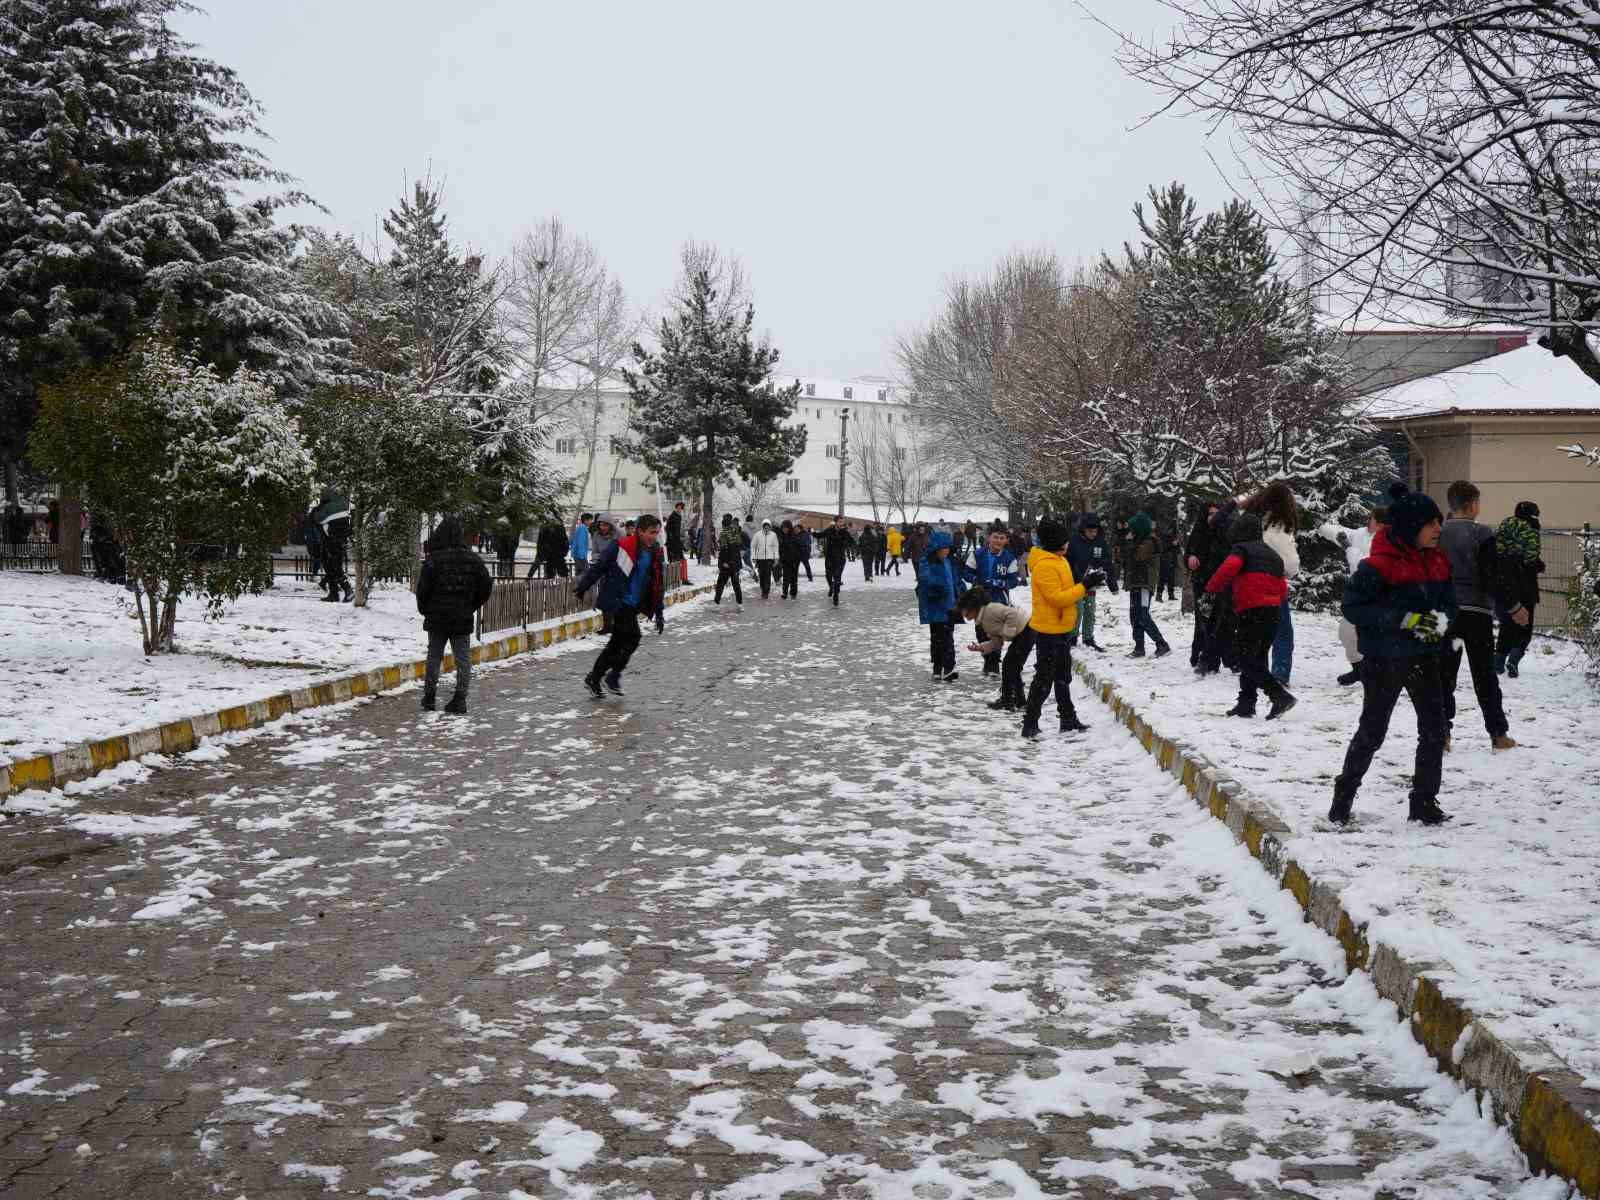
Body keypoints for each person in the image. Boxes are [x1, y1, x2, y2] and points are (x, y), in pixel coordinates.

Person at [1329, 484, 1457, 827]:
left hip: (1424, 656)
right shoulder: (1377, 566)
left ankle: (1424, 802)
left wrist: (1442, 622)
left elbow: (1449, 604)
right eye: (1431, 523)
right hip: (1384, 660)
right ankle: (1343, 796)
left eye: (1438, 523)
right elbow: (1354, 609)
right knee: (1373, 730)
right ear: (1411, 526)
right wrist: (1404, 620)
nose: (1437, 530)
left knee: (1434, 729)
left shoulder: (1438, 561)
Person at [1439, 481, 1524, 751]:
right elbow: (1491, 576)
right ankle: (1498, 733)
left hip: (1446, 613)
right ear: (1473, 504)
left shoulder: (1437, 533)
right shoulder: (1482, 534)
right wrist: (1513, 607)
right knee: (1485, 675)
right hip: (1477, 614)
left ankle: (1442, 733)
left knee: (1443, 676)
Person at [1020, 516, 1104, 740]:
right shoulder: (1045, 565)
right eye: (1064, 540)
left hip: (1062, 628)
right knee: (1044, 680)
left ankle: (1067, 719)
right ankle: (1030, 723)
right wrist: (1083, 586)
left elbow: (1068, 590)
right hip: (1049, 631)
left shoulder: (1059, 560)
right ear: (1055, 542)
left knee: (1062, 677)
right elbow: (1056, 598)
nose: (1068, 544)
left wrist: (1089, 583)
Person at [1205, 511, 1294, 720]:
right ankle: (1246, 703)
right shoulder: (1273, 555)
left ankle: (1279, 695)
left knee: (1243, 657)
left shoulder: (1242, 549)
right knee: (1257, 657)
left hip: (1252, 609)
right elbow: (1282, 587)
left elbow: (1230, 567)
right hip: (1273, 611)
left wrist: (1212, 588)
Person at [574, 512, 666, 698]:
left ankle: (595, 677)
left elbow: (657, 584)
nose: (653, 536)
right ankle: (612, 676)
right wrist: (584, 586)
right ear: (639, 531)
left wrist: (659, 612)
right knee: (632, 637)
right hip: (618, 600)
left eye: (656, 532)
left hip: (633, 603)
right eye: (650, 532)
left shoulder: (655, 552)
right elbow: (600, 566)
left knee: (617, 643)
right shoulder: (622, 546)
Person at [415, 516, 495, 713]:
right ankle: (460, 698)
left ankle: (430, 697)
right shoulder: (472, 560)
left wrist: (426, 609)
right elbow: (486, 586)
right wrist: (471, 605)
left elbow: (422, 590)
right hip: (462, 615)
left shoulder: (434, 560)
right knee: (463, 659)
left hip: (437, 617)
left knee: (434, 656)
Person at [1243, 482, 1301, 685]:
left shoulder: (1252, 520)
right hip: (1272, 584)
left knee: (1255, 631)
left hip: (1247, 582)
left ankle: (1254, 670)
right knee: (1282, 631)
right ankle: (1279, 674)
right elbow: (1291, 564)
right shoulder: (1278, 527)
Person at [1336, 506, 1388, 686]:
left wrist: (1348, 548)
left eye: (1371, 519)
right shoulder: (1362, 534)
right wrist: (1322, 527)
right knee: (1346, 633)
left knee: (1373, 636)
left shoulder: (1386, 541)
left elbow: (1362, 564)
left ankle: (1376, 671)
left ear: (1380, 524)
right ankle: (1359, 669)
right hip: (1358, 595)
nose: (1368, 521)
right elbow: (1343, 533)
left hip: (1376, 596)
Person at [960, 585, 1033, 711]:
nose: (963, 613)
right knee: (1010, 666)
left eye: (964, 609)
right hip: (1021, 634)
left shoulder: (990, 610)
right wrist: (980, 648)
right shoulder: (983, 621)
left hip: (1027, 630)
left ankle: (1012, 700)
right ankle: (1014, 700)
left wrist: (1007, 633)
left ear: (973, 607)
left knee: (1010, 666)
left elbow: (1012, 614)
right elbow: (997, 642)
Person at [961, 525, 1020, 676]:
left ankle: (994, 664)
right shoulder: (978, 554)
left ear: (1006, 540)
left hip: (999, 600)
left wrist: (999, 583)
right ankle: (988, 659)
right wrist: (976, 579)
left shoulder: (1009, 558)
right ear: (989, 538)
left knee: (995, 632)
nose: (998, 541)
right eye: (995, 537)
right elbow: (966, 572)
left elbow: (1014, 580)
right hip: (979, 600)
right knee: (981, 631)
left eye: (1002, 538)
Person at [1494, 501, 1543, 677]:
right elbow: (1530, 559)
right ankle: (1513, 660)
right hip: (1525, 585)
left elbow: (1496, 551)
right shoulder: (1531, 530)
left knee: (1506, 624)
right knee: (1525, 626)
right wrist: (1537, 565)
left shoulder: (1504, 526)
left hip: (1503, 583)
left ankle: (1498, 661)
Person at [1121, 512, 1172, 658]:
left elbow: (1138, 557)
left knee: (1142, 615)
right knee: (1134, 615)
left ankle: (1162, 644)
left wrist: (1130, 542)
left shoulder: (1149, 542)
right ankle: (1139, 647)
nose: (1130, 531)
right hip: (1136, 582)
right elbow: (1126, 557)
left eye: (1133, 529)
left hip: (1144, 583)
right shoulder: (1139, 540)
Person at [916, 530, 964, 681]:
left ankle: (949, 667)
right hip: (936, 607)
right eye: (943, 548)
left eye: (948, 548)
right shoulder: (927, 562)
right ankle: (938, 667)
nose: (946, 551)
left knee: (948, 638)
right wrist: (940, 586)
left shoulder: (951, 562)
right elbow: (925, 581)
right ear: (935, 549)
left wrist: (962, 592)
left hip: (951, 606)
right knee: (937, 639)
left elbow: (956, 581)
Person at [1066, 513, 1116, 652]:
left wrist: (1112, 584)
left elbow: (1107, 562)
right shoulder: (1074, 541)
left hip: (1092, 581)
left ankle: (1088, 637)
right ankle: (1072, 636)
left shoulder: (1100, 542)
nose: (1093, 534)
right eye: (1090, 531)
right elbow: (1067, 561)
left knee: (1090, 609)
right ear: (1083, 529)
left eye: (1095, 531)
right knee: (1078, 609)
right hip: (1076, 582)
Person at [316, 493, 353, 603]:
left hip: (330, 543)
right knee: (334, 567)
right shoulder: (343, 507)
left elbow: (318, 520)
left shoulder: (325, 509)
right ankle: (334, 593)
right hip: (340, 542)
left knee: (334, 568)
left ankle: (346, 590)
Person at [815, 515, 855, 606]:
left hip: (840, 558)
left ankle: (836, 596)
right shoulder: (830, 530)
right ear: (835, 522)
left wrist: (845, 544)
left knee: (837, 578)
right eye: (840, 521)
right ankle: (831, 587)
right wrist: (812, 533)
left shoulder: (844, 532)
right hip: (829, 558)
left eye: (842, 522)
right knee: (828, 576)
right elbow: (820, 535)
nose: (841, 523)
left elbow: (852, 542)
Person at [713, 513, 745, 606]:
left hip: (727, 563)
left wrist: (723, 562)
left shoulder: (724, 533)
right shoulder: (736, 532)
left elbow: (724, 550)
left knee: (721, 583)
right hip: (735, 562)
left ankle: (716, 603)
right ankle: (740, 603)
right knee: (736, 584)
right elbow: (738, 547)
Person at [751, 518, 780, 599]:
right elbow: (753, 546)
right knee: (762, 575)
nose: (766, 528)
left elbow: (776, 547)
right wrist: (753, 557)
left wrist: (776, 558)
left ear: (770, 527)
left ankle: (766, 592)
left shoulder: (773, 535)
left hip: (769, 558)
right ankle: (763, 589)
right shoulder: (757, 535)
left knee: (767, 574)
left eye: (768, 527)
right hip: (760, 559)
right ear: (762, 527)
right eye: (765, 527)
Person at [778, 519, 805, 599]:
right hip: (785, 561)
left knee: (793, 578)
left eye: (786, 528)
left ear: (790, 528)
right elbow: (780, 549)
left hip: (794, 561)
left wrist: (797, 558)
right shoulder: (781, 537)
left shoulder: (794, 537)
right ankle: (784, 593)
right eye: (783, 528)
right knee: (785, 578)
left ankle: (793, 593)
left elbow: (800, 548)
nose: (785, 529)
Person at [1157, 529, 1181, 601]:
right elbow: (1163, 548)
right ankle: (1159, 595)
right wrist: (1172, 544)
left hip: (1172, 559)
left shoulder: (1175, 537)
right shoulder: (1164, 537)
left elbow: (1177, 549)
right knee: (1163, 578)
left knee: (1171, 578)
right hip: (1165, 559)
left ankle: (1171, 595)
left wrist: (1176, 545)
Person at [665, 502, 686, 571]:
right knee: (673, 557)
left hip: (677, 539)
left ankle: (680, 575)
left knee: (680, 557)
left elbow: (678, 528)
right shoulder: (672, 515)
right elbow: (667, 527)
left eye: (681, 508)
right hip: (672, 540)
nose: (679, 509)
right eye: (678, 508)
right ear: (676, 507)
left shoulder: (679, 516)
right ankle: (673, 573)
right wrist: (670, 536)